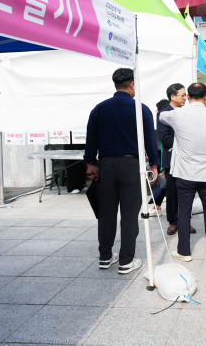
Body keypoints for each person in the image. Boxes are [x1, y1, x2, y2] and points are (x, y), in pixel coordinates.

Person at [84, 68, 159, 275]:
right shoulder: (141, 109)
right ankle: (126, 260)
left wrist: (90, 163)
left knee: (106, 213)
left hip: (106, 165)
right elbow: (150, 141)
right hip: (132, 166)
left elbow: (91, 140)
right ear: (132, 84)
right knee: (129, 214)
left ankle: (105, 256)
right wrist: (154, 164)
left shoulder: (99, 109)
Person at [159, 83, 206, 261]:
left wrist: (175, 103)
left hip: (185, 172)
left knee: (184, 211)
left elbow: (161, 116)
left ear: (187, 97)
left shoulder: (177, 114)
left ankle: (184, 252)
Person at [157, 84, 197, 235]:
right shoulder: (163, 114)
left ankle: (185, 221)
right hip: (172, 158)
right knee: (172, 192)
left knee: (187, 191)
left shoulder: (187, 113)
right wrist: (184, 145)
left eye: (186, 95)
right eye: (183, 95)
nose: (185, 98)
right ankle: (173, 221)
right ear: (172, 96)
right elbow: (165, 137)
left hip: (187, 159)